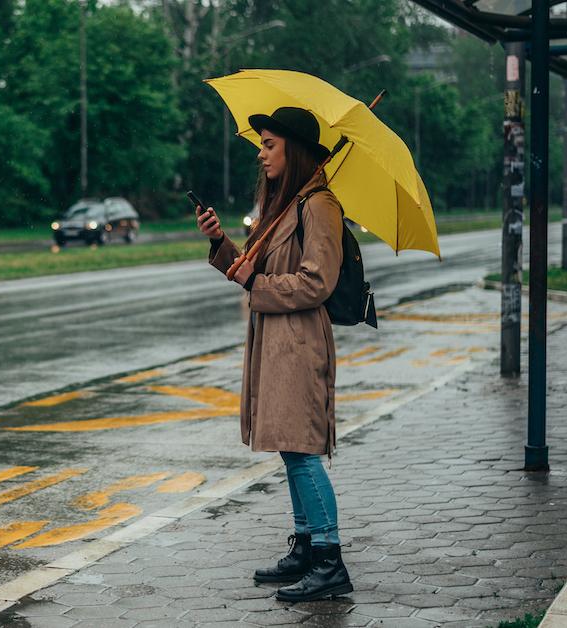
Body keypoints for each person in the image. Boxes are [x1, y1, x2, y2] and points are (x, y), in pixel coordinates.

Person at [194, 106, 352, 602]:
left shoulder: (319, 206)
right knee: (290, 449)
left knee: (303, 452)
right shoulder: (284, 205)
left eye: (269, 144)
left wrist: (257, 283)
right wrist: (220, 242)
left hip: (300, 342)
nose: (261, 154)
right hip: (275, 341)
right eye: (261, 144)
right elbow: (248, 265)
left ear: (295, 150)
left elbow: (317, 282)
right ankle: (306, 546)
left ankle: (330, 560)